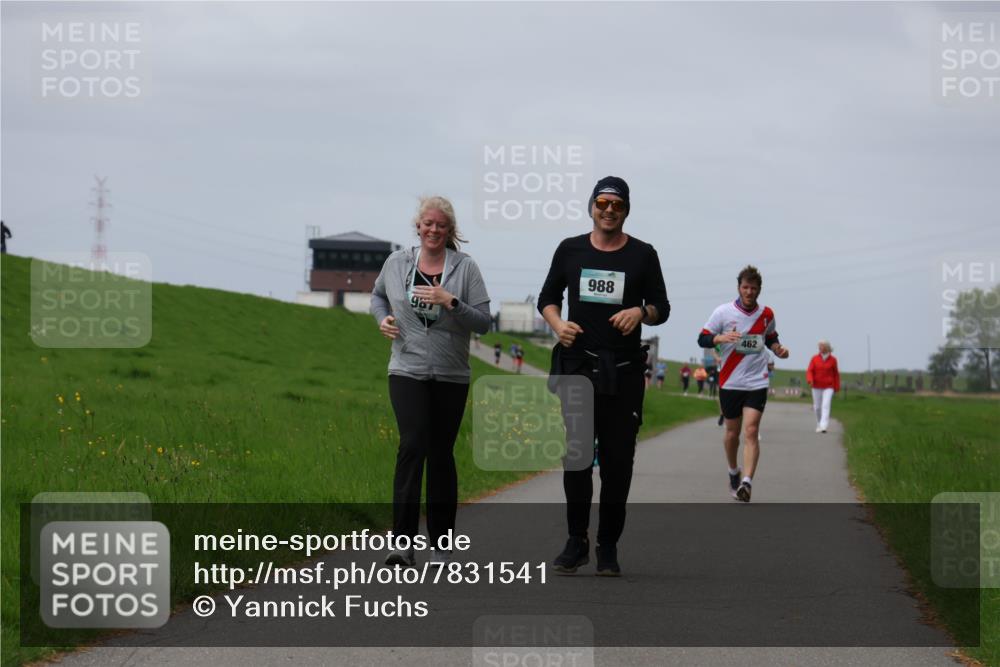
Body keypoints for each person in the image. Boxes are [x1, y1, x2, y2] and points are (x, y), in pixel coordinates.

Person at [538, 176, 670, 576]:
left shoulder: (643, 255)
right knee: (577, 458)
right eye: (602, 203)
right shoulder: (570, 249)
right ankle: (576, 540)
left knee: (617, 463)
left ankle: (607, 545)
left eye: (617, 205)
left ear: (626, 210)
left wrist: (640, 312)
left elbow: (661, 307)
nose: (609, 210)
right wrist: (558, 324)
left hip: (623, 371)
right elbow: (547, 299)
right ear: (592, 206)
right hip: (578, 366)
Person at [371, 196, 491, 567]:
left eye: (441, 225)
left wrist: (450, 301)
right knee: (412, 444)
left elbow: (484, 322)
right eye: (428, 224)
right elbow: (377, 296)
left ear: (450, 229)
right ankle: (402, 543)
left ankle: (441, 546)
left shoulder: (465, 269)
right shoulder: (397, 263)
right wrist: (382, 319)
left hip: (451, 374)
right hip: (406, 368)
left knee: (440, 454)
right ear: (418, 227)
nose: (433, 230)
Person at [698, 265, 788, 503]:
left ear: (759, 290)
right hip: (730, 381)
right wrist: (720, 337)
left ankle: (747, 482)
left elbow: (770, 337)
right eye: (745, 287)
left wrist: (778, 349)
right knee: (732, 433)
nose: (749, 292)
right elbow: (702, 338)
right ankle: (733, 471)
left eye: (753, 288)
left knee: (751, 430)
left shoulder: (767, 314)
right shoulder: (723, 312)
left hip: (756, 381)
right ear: (739, 288)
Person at [806, 340, 841, 433]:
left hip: (829, 387)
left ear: (827, 348)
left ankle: (824, 425)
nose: (820, 348)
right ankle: (819, 423)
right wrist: (810, 380)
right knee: (817, 407)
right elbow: (810, 371)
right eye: (819, 346)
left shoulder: (833, 360)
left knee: (825, 405)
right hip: (816, 386)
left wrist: (837, 386)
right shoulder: (814, 358)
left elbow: (836, 374)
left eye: (822, 346)